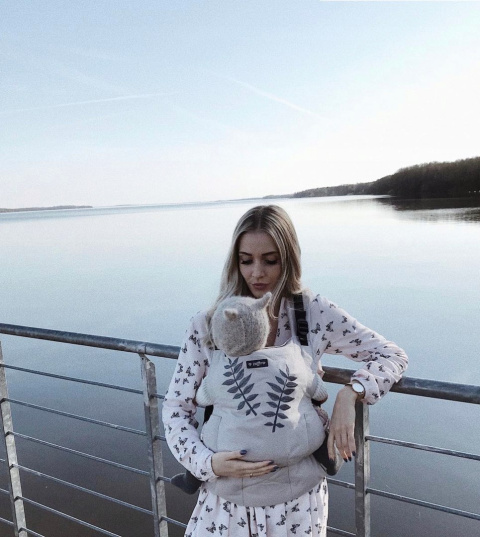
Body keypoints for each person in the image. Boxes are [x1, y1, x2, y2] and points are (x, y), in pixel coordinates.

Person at [162, 205, 408, 537]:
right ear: (235, 262)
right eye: (246, 260)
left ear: (288, 259)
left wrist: (351, 395)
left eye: (270, 260)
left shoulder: (312, 312)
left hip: (298, 507)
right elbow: (176, 409)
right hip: (226, 504)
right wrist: (206, 463)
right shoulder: (208, 324)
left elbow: (391, 355)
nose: (257, 273)